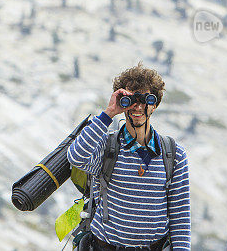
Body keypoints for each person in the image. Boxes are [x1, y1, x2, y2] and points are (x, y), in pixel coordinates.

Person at [67, 63, 191, 250]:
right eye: (131, 99)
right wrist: (109, 113)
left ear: (155, 105)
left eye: (146, 100)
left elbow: (180, 216)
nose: (138, 107)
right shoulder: (107, 147)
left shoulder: (174, 155)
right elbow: (76, 156)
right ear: (122, 102)